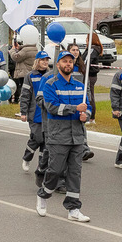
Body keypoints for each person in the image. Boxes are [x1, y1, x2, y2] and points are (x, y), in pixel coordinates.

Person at [35, 50, 91, 222]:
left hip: (77, 136)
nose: (68, 64)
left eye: (70, 61)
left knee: (75, 173)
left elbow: (87, 107)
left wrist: (85, 115)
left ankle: (73, 208)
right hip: (58, 135)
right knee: (55, 170)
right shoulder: (50, 84)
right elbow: (52, 107)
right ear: (58, 64)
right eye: (64, 61)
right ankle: (43, 194)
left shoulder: (80, 86)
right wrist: (75, 110)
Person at [18, 50, 51, 182]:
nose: (45, 62)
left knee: (46, 142)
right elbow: (25, 94)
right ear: (37, 61)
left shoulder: (50, 75)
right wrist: (23, 112)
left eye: (47, 60)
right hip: (34, 113)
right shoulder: (30, 76)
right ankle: (27, 157)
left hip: (47, 114)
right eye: (43, 60)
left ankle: (41, 166)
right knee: (37, 138)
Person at [10, 37, 37, 103]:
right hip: (30, 72)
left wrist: (12, 50)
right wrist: (19, 47)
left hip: (24, 73)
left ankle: (24, 107)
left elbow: (16, 57)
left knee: (24, 91)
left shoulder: (25, 50)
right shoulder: (34, 48)